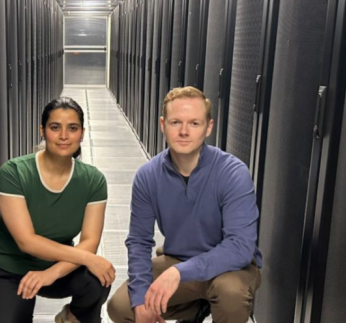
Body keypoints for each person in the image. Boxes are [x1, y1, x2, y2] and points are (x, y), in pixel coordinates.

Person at [108, 87, 262, 323]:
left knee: (231, 293)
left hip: (228, 267)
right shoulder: (148, 176)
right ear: (163, 124)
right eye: (175, 122)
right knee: (121, 306)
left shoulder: (232, 173)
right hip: (178, 259)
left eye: (194, 123)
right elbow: (139, 241)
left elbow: (239, 248)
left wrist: (179, 273)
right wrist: (140, 299)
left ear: (208, 127)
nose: (183, 131)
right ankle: (196, 307)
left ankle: (209, 301)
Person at [0, 97, 115, 323]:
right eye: (55, 127)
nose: (64, 136)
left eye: (72, 128)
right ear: (42, 130)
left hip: (57, 265)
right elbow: (27, 242)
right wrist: (88, 258)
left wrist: (51, 273)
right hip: (9, 268)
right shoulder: (14, 172)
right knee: (92, 262)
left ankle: (72, 317)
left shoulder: (93, 180)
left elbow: (90, 241)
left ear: (82, 132)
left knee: (97, 278)